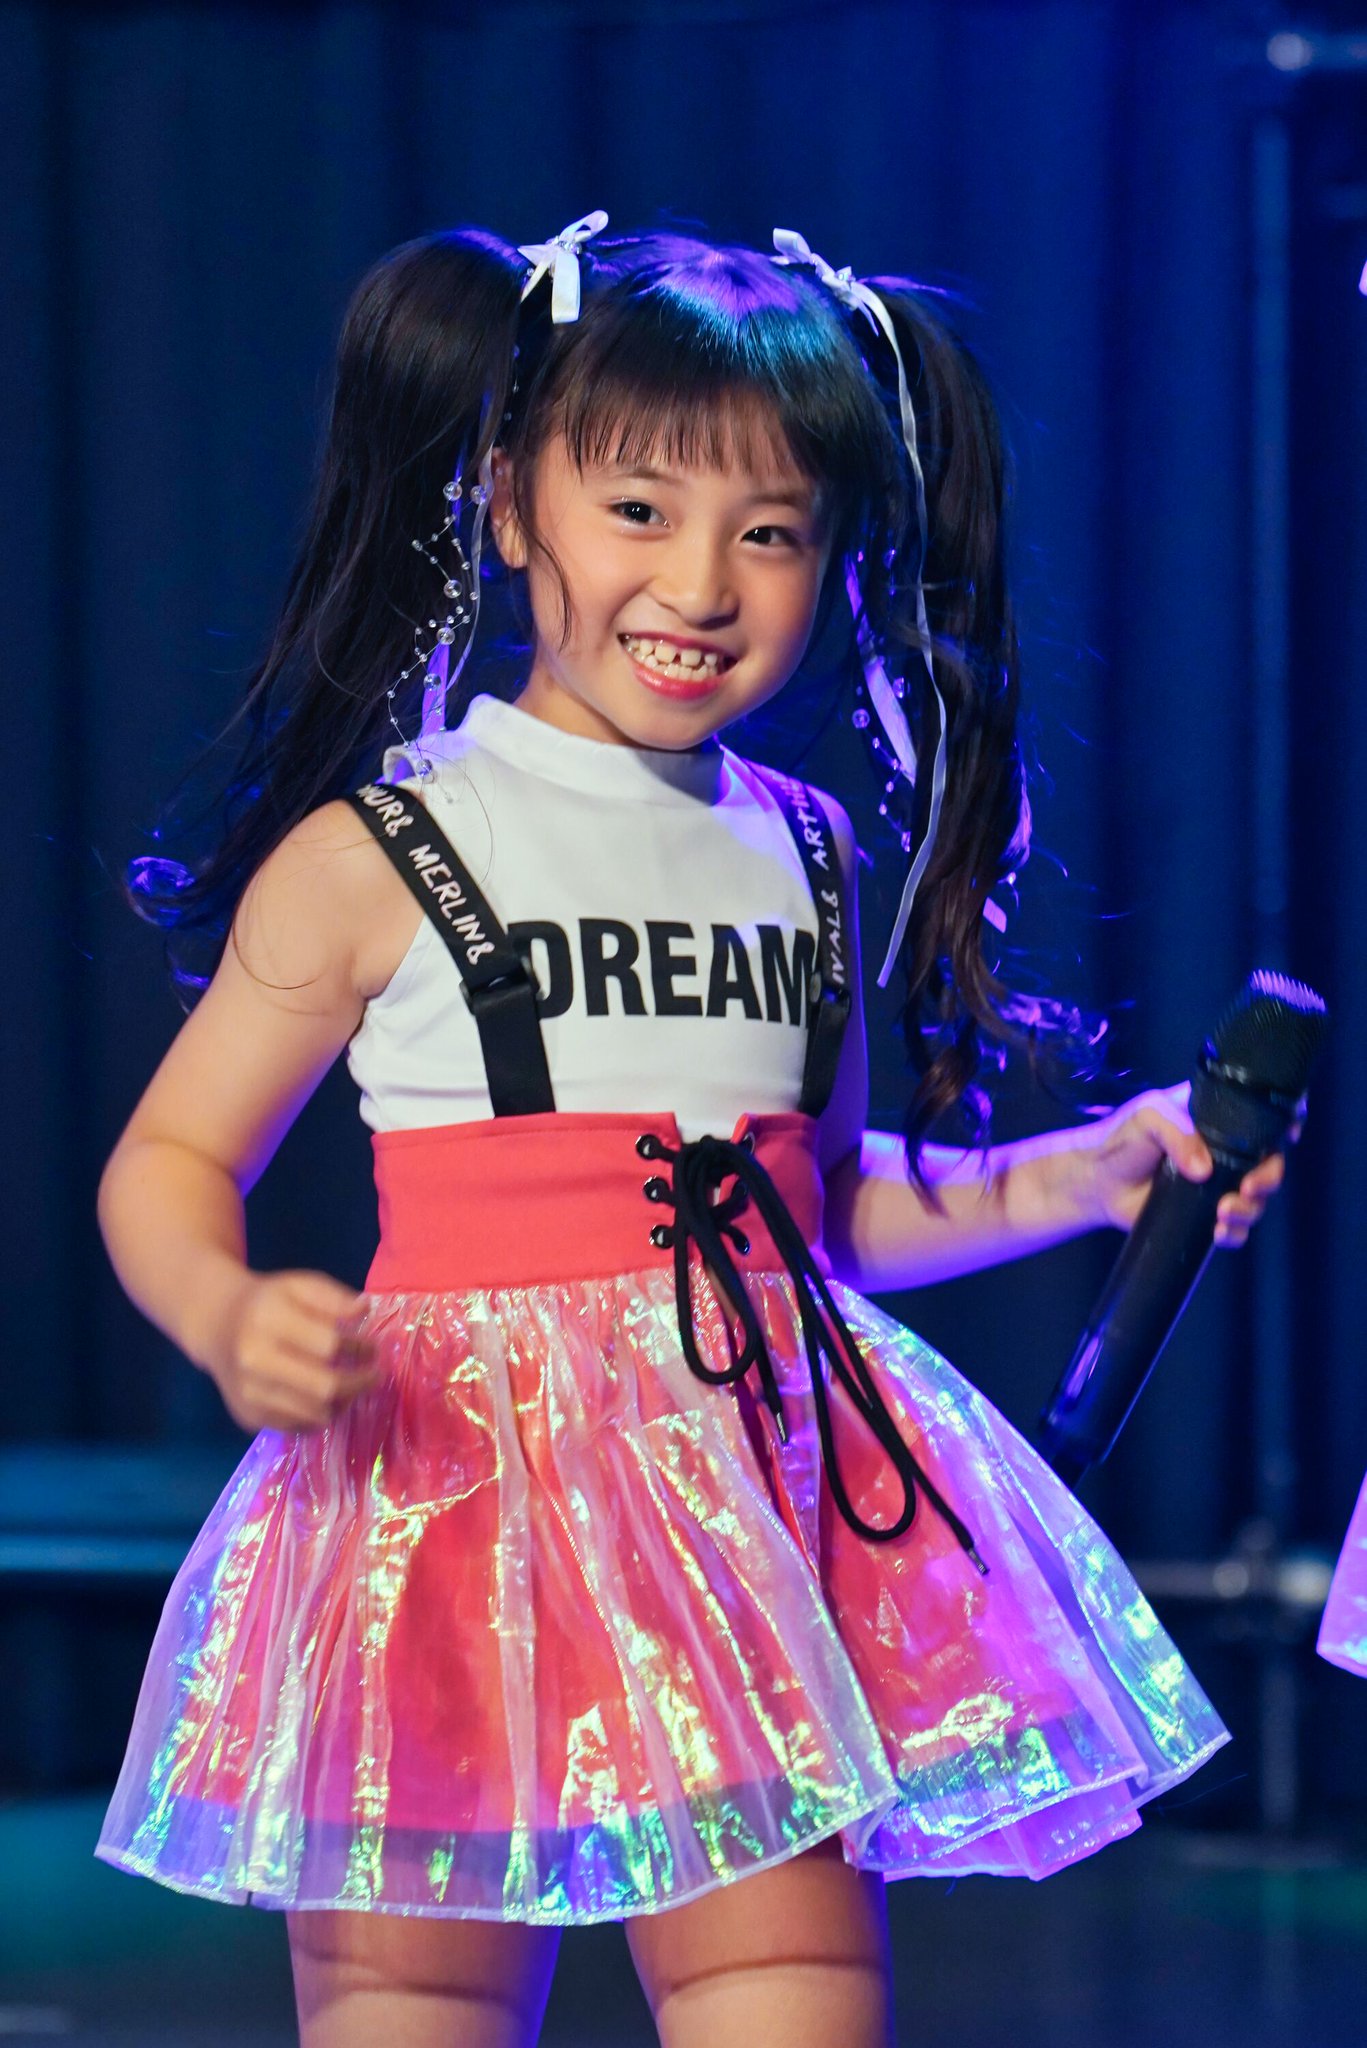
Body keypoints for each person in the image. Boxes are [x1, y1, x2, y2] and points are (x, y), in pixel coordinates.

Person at [94, 215, 1285, 2048]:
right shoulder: (382, 852)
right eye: (638, 509)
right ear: (511, 502)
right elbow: (168, 1163)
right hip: (450, 1495)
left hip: (743, 1509)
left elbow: (829, 1213)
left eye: (770, 533)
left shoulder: (806, 846)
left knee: (786, 1978)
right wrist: (227, 1309)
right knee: (407, 1987)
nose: (702, 583)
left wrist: (1090, 1170)